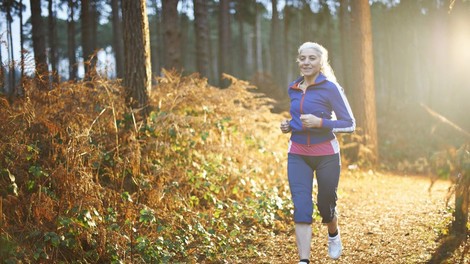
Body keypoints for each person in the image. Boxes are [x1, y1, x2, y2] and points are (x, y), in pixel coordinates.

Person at [280, 42, 355, 263]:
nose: (306, 62)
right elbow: (297, 118)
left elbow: (350, 124)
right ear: (298, 61)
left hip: (326, 155)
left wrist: (321, 122)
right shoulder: (293, 87)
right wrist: (289, 126)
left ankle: (333, 234)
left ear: (321, 62)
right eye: (302, 58)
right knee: (301, 206)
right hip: (298, 154)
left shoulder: (331, 88)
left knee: (325, 205)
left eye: (312, 58)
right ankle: (304, 261)